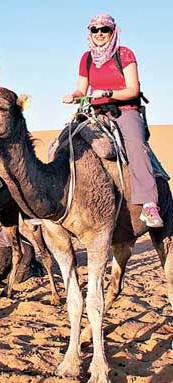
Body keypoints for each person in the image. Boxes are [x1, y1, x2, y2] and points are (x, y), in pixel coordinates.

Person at [63, 13, 163, 228]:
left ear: (113, 31)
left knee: (136, 146)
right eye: (95, 30)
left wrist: (107, 92)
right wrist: (73, 96)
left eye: (104, 29)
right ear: (89, 32)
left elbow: (132, 89)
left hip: (124, 111)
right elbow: (82, 89)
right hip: (96, 113)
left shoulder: (124, 54)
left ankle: (149, 204)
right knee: (66, 141)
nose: (99, 34)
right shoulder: (87, 58)